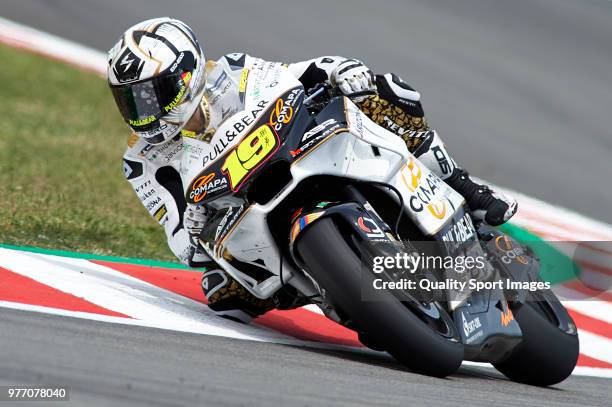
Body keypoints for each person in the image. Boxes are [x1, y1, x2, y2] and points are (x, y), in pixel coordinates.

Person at [109, 17, 517, 323]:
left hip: (301, 153)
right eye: (131, 102)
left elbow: (300, 72)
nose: (142, 113)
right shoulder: (143, 160)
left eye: (150, 96)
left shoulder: (232, 73)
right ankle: (331, 290)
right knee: (223, 293)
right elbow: (181, 243)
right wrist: (194, 225)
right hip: (242, 216)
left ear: (187, 74)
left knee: (385, 94)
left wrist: (342, 71)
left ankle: (461, 186)